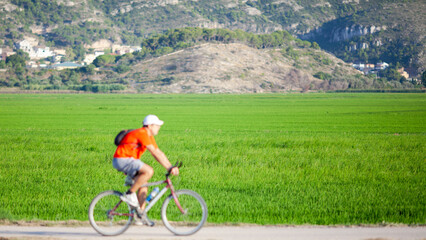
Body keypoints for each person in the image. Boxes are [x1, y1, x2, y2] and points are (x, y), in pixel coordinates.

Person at [113, 114, 179, 226]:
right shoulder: (142, 133)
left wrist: (170, 166)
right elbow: (154, 152)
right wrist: (169, 167)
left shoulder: (149, 136)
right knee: (149, 171)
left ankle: (140, 215)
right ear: (150, 125)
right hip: (122, 159)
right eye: (157, 125)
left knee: (144, 184)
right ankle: (129, 194)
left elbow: (158, 153)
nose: (159, 127)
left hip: (127, 160)